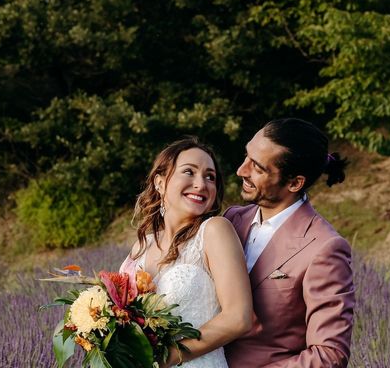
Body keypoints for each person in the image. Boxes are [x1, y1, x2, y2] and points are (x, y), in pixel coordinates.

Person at [224, 118, 355, 368]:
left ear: (295, 183)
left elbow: (330, 355)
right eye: (246, 156)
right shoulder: (231, 220)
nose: (241, 170)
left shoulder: (325, 248)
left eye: (258, 168)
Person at [120, 137, 252, 368]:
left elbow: (238, 318)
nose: (201, 184)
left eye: (210, 177)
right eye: (189, 172)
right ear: (160, 183)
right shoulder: (142, 246)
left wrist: (160, 359)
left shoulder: (214, 231)